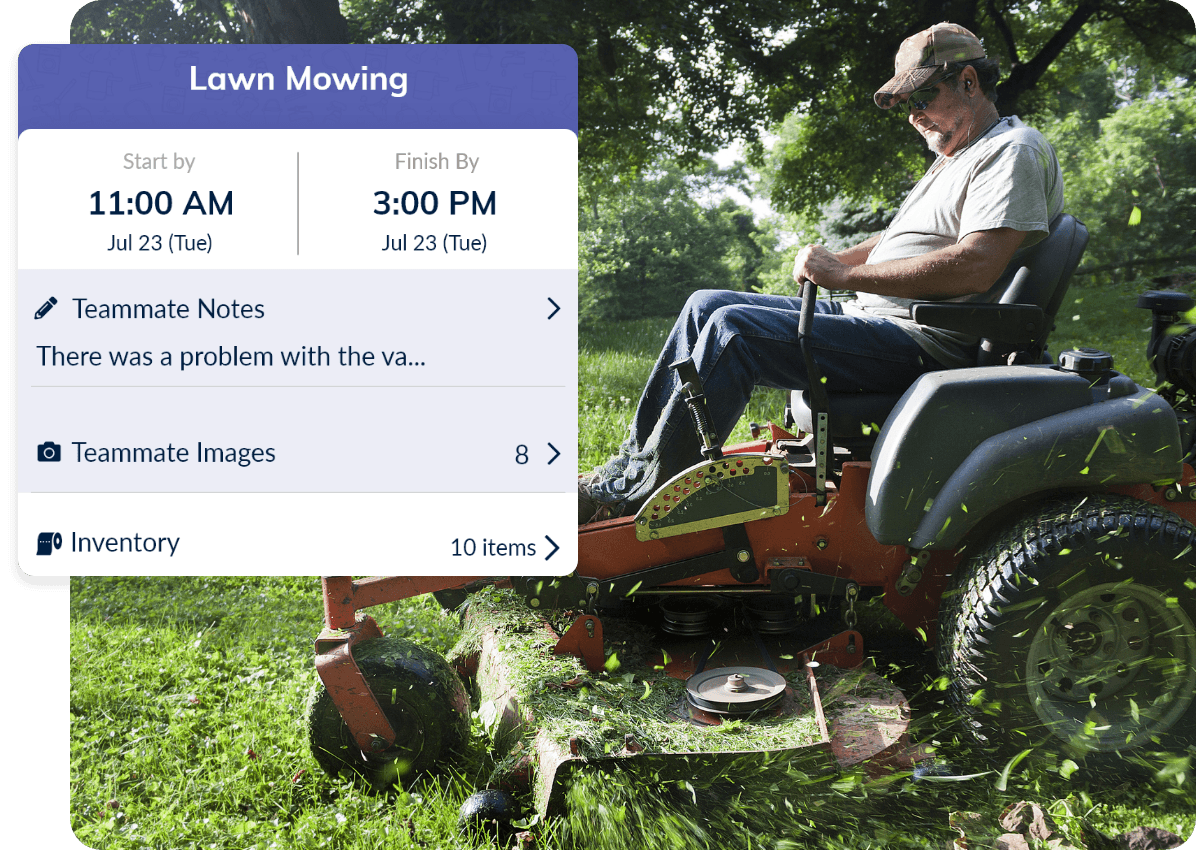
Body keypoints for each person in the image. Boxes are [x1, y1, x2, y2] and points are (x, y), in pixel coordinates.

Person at [579, 22, 1065, 524]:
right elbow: (903, 239)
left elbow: (976, 265)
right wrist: (840, 260)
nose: (914, 114)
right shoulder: (956, 157)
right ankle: (630, 464)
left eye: (923, 95)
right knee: (707, 304)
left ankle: (633, 494)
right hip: (879, 321)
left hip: (923, 340)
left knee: (735, 331)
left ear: (969, 81)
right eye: (906, 103)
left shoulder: (1012, 150)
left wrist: (845, 278)